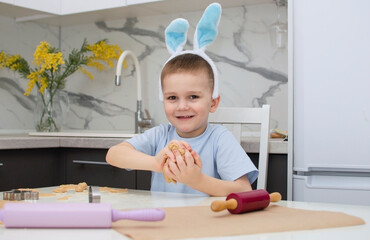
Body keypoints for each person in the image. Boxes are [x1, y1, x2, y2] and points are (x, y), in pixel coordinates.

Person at [106, 3, 258, 196]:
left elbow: (244, 189)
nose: (182, 106)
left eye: (193, 97)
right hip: (163, 221)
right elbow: (113, 155)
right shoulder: (160, 136)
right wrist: (155, 163)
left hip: (208, 224)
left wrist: (197, 180)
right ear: (163, 100)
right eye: (172, 98)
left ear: (213, 102)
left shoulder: (219, 139)